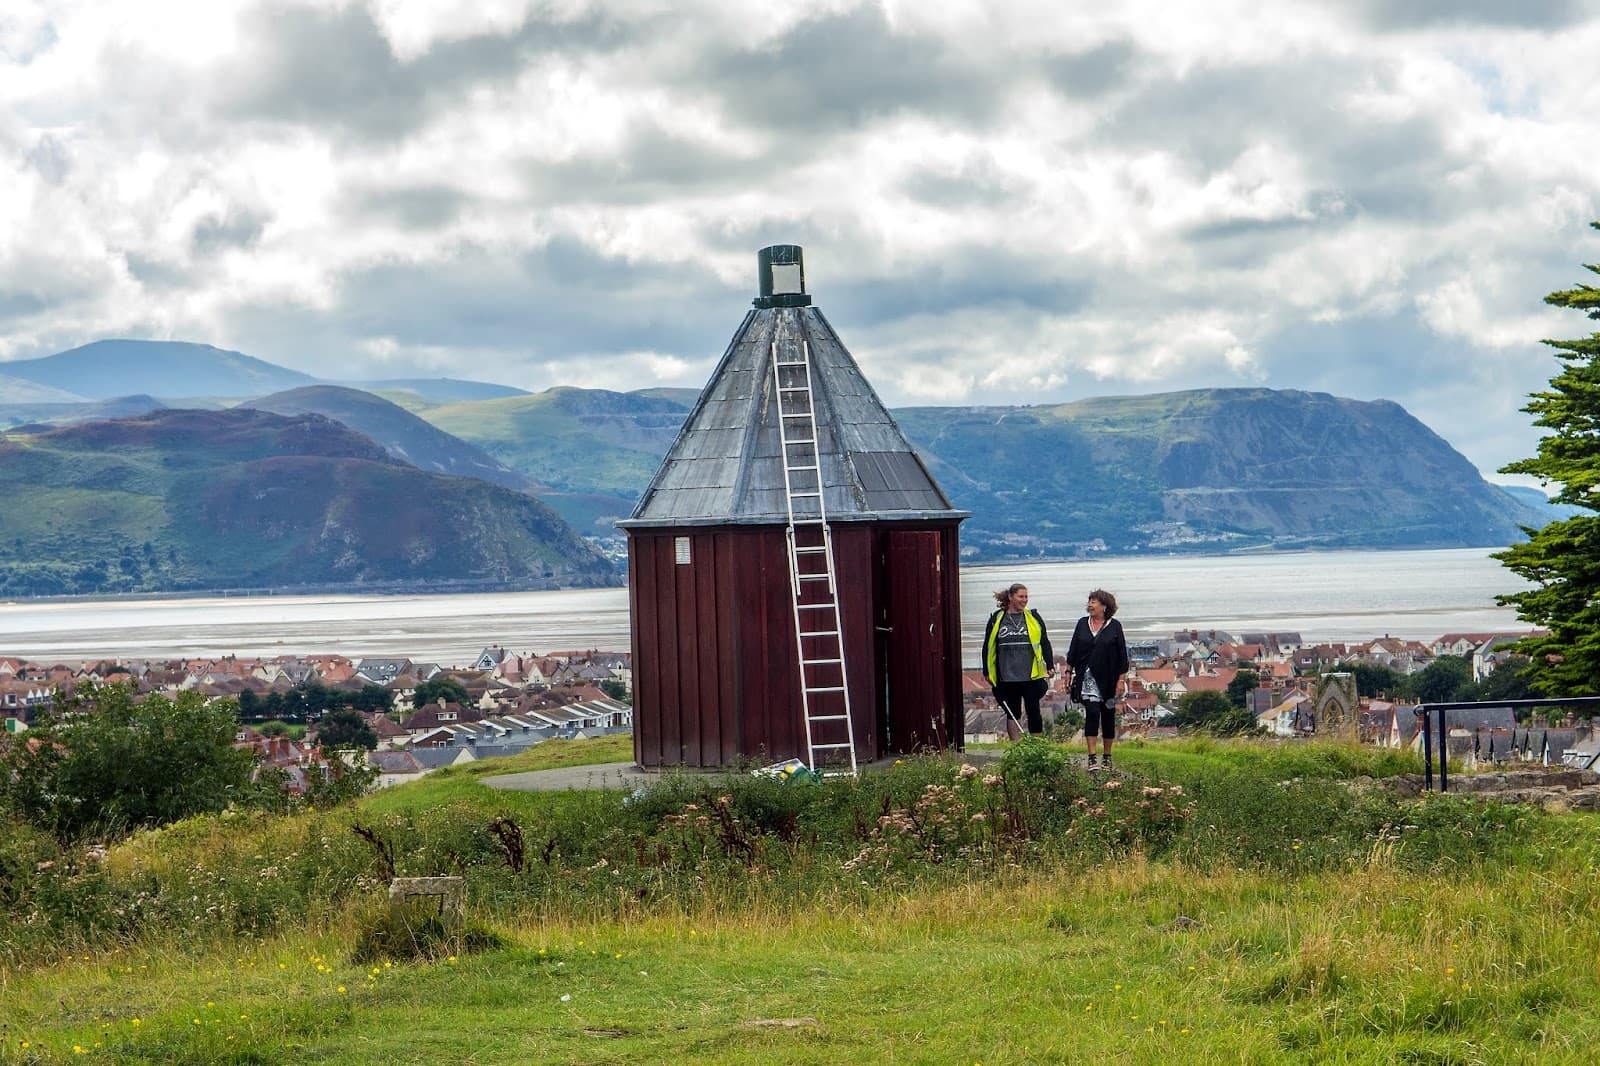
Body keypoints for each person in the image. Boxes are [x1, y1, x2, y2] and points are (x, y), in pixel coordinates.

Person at [1065, 588, 1130, 772]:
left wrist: (1121, 679)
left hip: (1109, 679)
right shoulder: (1082, 624)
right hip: (1087, 678)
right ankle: (1092, 757)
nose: (1090, 605)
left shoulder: (1115, 626)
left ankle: (1107, 756)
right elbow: (1073, 649)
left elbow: (1122, 656)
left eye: (1094, 601)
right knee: (1092, 713)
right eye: (1089, 601)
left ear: (1104, 606)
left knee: (1108, 716)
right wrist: (1068, 673)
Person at [981, 583, 1054, 736]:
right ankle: (1016, 746)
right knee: (1012, 712)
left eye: (1026, 596)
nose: (1024, 600)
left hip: (1030, 674)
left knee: (1033, 709)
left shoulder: (1033, 617)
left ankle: (1037, 746)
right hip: (1006, 675)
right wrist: (987, 671)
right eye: (1021, 596)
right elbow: (988, 646)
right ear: (1010, 597)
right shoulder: (997, 618)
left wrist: (1050, 665)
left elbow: (1044, 642)